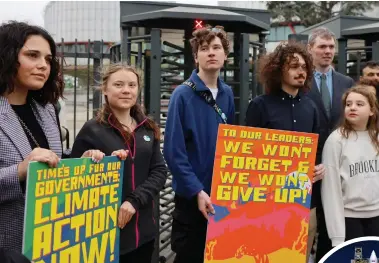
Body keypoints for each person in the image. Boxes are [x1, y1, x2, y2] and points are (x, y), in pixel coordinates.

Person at [0, 21, 104, 252]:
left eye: (48, 59)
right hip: (9, 244)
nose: (43, 66)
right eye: (32, 55)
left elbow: (49, 157)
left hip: (51, 242)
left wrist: (80, 160)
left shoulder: (46, 109)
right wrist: (20, 170)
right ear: (6, 56)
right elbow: (29, 166)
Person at [70, 63, 168, 263]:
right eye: (119, 84)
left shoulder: (147, 128)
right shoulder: (92, 130)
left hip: (144, 234)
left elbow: (159, 170)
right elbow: (71, 180)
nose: (126, 90)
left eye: (132, 85)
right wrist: (89, 161)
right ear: (105, 89)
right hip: (105, 236)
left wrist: (134, 200)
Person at [244, 41, 325, 263]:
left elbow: (317, 150)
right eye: (293, 66)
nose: (301, 71)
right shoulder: (259, 106)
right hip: (268, 202)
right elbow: (248, 154)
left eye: (304, 67)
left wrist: (319, 168)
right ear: (278, 70)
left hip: (305, 201)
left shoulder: (311, 107)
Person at [163, 25, 235, 263]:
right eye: (204, 49)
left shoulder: (227, 95)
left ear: (225, 55)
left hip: (221, 196)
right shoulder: (181, 95)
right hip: (192, 200)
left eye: (217, 48)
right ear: (196, 57)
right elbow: (173, 152)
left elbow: (231, 144)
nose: (211, 53)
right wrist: (197, 190)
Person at [306, 27, 355, 261]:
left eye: (331, 47)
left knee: (334, 227)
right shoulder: (300, 81)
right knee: (306, 229)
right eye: (322, 47)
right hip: (309, 166)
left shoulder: (346, 82)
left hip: (340, 166)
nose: (327, 51)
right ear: (310, 49)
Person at [321, 85, 379, 247]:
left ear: (372, 111)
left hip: (376, 217)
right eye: (348, 104)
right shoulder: (336, 140)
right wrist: (337, 235)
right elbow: (330, 190)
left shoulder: (376, 137)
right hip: (349, 219)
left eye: (360, 104)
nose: (352, 107)